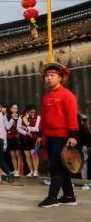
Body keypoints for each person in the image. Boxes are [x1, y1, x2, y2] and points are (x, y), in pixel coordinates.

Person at [37, 62, 80, 208]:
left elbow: (72, 116)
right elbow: (43, 117)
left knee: (56, 166)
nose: (48, 78)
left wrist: (73, 135)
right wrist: (40, 134)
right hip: (49, 136)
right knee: (61, 166)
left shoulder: (68, 96)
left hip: (62, 136)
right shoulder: (46, 97)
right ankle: (69, 196)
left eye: (52, 75)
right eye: (47, 76)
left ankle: (52, 198)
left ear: (60, 77)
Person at [17, 105, 41, 178]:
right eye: (31, 112)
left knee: (34, 154)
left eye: (34, 112)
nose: (33, 114)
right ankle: (31, 171)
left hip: (34, 138)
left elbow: (37, 128)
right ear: (27, 111)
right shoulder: (22, 117)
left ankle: (36, 171)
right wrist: (26, 133)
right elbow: (18, 128)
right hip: (25, 138)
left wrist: (26, 128)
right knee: (27, 155)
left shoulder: (38, 117)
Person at [5, 104, 23, 177]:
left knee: (18, 154)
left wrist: (16, 118)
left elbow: (19, 127)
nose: (15, 110)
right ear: (10, 108)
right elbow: (7, 127)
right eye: (13, 108)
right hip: (10, 137)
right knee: (13, 155)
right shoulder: (6, 116)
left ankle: (19, 170)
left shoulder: (20, 116)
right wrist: (12, 119)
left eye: (16, 108)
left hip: (17, 137)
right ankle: (15, 169)